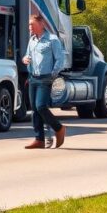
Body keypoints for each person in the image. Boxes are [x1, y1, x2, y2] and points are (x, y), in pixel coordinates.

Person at [23, 13, 67, 149]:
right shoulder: (32, 40)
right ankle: (39, 139)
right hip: (33, 77)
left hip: (46, 77)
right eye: (29, 24)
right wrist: (24, 60)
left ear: (41, 24)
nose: (29, 27)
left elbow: (60, 59)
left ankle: (59, 128)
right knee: (35, 110)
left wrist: (52, 75)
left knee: (41, 106)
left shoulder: (52, 40)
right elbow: (27, 55)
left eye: (32, 24)